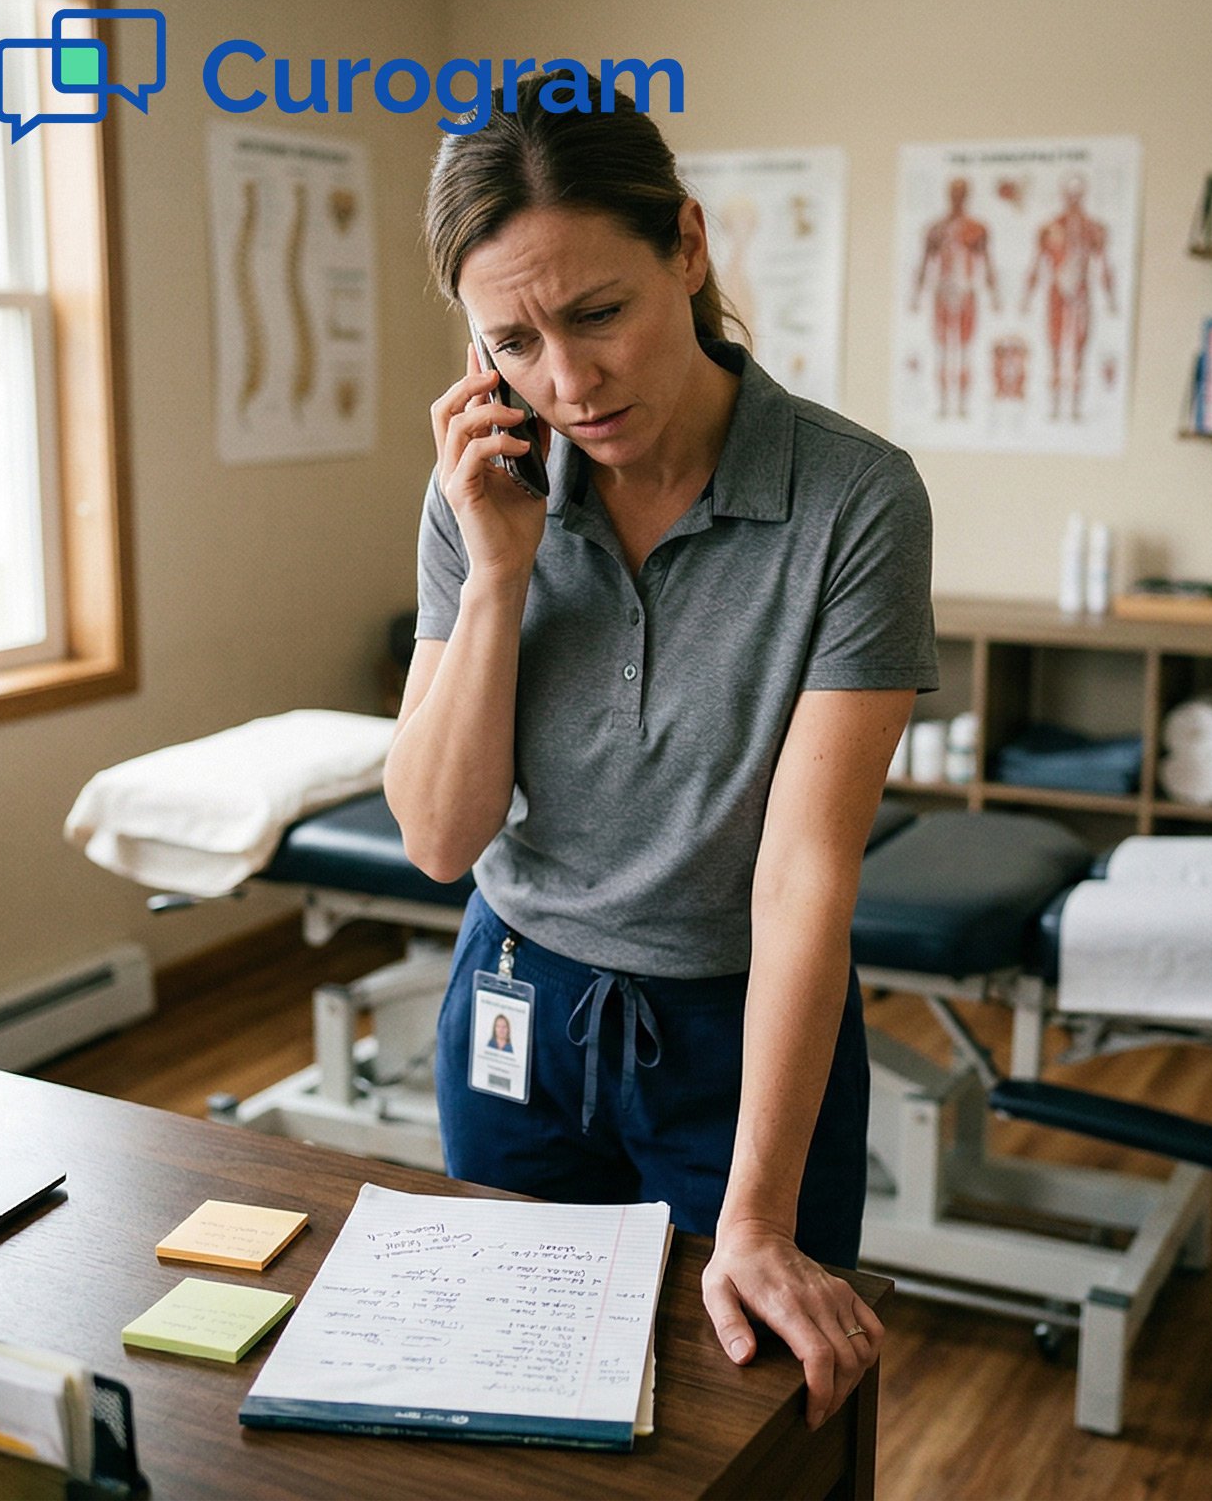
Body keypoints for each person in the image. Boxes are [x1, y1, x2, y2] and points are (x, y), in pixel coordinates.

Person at [388, 70, 934, 1430]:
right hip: (515, 1010)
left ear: (686, 248)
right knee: (507, 1418)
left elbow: (803, 876)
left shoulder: (853, 499)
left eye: (598, 314)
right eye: (513, 342)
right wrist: (500, 573)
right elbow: (441, 839)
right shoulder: (479, 492)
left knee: (742, 1427)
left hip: (737, 1038)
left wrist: (757, 1220)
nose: (568, 383)